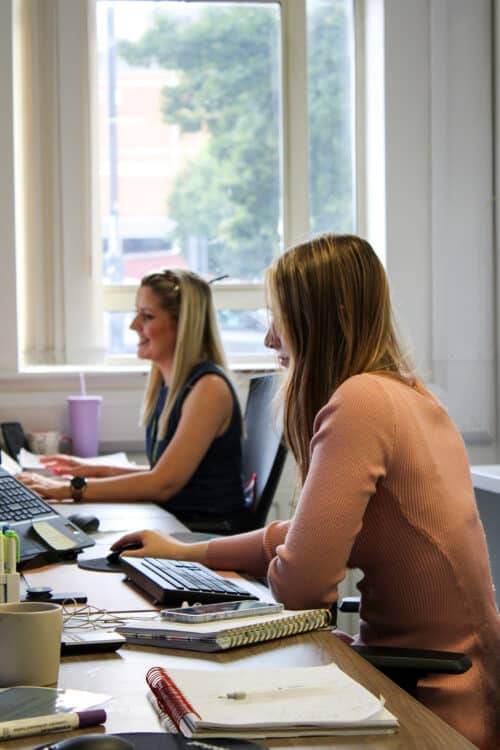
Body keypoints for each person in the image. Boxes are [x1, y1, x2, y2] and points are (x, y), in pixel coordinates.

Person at [111, 234, 500, 749]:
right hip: (452, 684)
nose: (271, 340)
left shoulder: (360, 402)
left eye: (280, 318)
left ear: (325, 317)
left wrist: (288, 562)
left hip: (432, 703)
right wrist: (191, 554)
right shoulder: (405, 393)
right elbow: (304, 537)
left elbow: (303, 586)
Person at [18, 268, 248, 530]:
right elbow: (161, 474)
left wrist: (68, 489)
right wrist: (92, 471)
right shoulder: (171, 386)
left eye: (147, 316)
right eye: (136, 313)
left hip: (208, 532)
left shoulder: (209, 389)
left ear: (183, 327)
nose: (133, 325)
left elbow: (162, 484)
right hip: (182, 525)